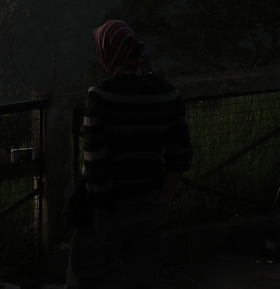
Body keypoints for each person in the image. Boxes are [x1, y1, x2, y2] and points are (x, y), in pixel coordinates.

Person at [67, 19, 192, 289]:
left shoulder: (100, 96)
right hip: (150, 203)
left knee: (87, 278)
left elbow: (96, 165)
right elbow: (180, 154)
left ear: (107, 52)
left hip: (109, 209)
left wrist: (103, 216)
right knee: (140, 278)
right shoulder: (168, 93)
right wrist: (160, 201)